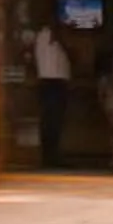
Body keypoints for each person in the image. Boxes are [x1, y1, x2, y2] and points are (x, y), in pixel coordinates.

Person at [33, 21, 73, 166]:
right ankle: (50, 156)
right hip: (52, 83)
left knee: (53, 121)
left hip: (55, 83)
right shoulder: (47, 36)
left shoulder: (46, 39)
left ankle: (51, 155)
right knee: (52, 121)